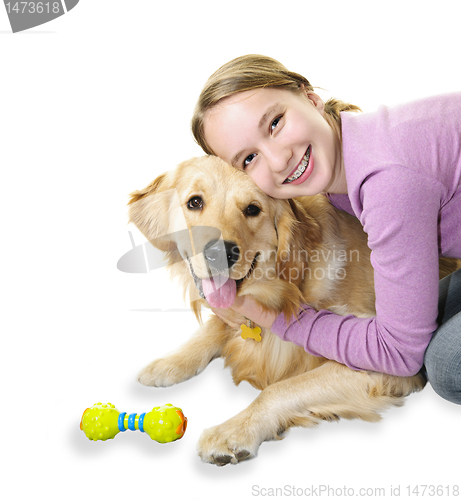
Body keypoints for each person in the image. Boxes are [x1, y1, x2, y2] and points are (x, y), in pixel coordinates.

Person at [191, 54, 461, 405]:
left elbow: (399, 355)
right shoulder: (346, 160)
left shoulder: (388, 182)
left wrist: (269, 316)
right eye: (248, 158)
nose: (278, 159)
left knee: (445, 364)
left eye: (274, 123)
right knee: (418, 323)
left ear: (310, 97)